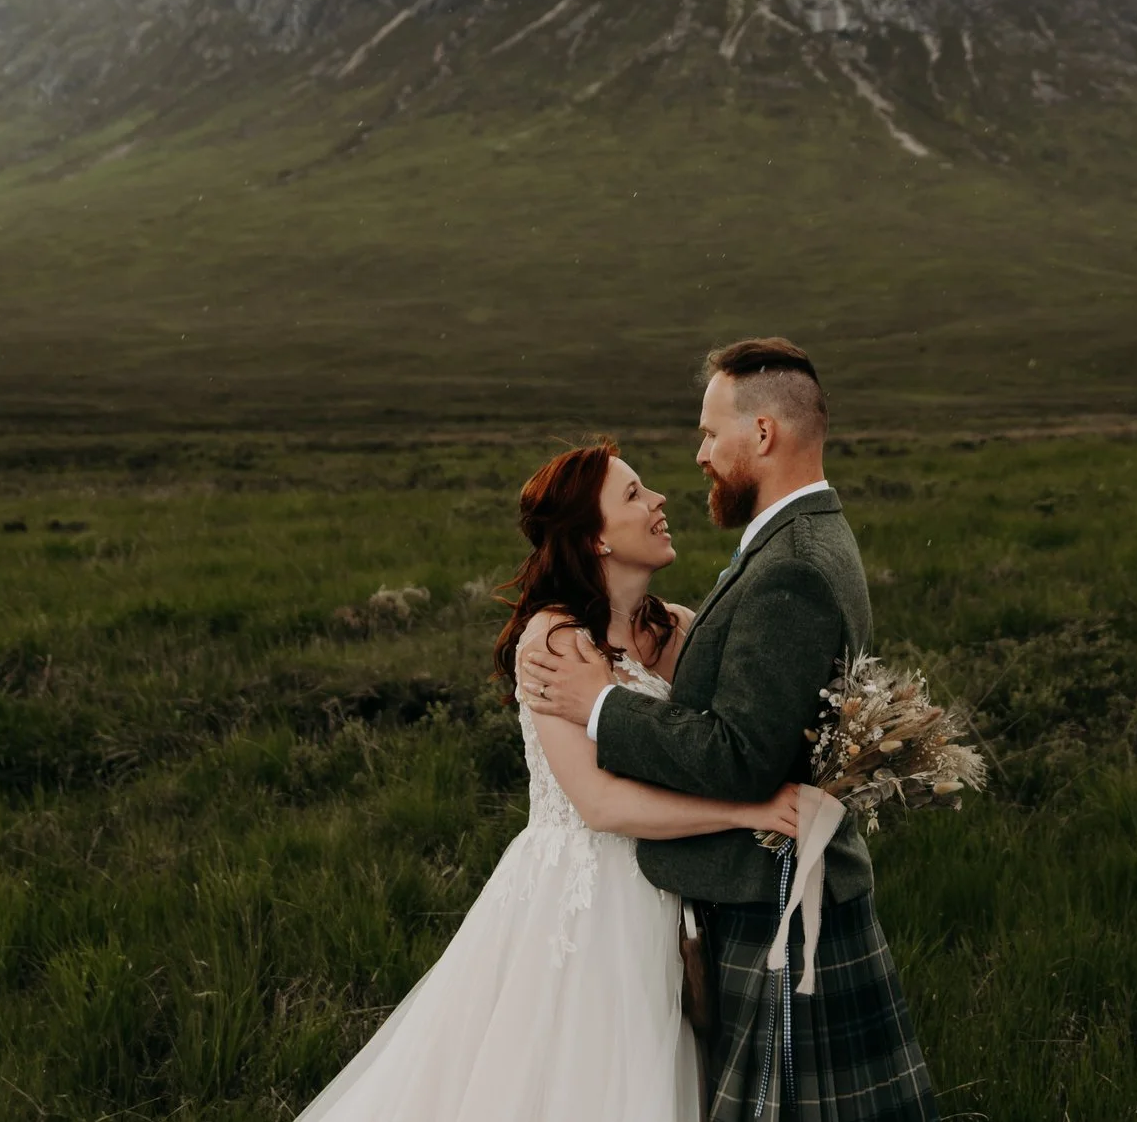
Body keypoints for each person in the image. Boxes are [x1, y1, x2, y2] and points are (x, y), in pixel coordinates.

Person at [294, 438, 803, 1122]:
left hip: (667, 892)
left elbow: (715, 741)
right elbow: (596, 802)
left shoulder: (677, 628)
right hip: (581, 902)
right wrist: (747, 810)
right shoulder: (555, 640)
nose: (658, 501)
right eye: (632, 494)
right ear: (595, 537)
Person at [521, 338, 940, 1121]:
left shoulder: (792, 564)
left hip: (771, 894)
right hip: (669, 902)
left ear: (764, 435)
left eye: (712, 433)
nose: (700, 455)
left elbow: (740, 753)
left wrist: (604, 706)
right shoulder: (796, 542)